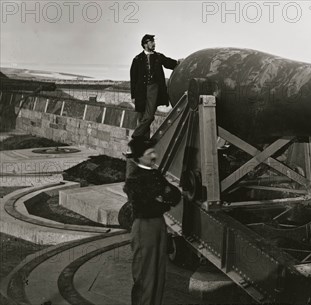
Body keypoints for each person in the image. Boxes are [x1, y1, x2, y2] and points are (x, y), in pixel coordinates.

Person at [123, 138, 181, 305]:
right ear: (140, 157)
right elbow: (148, 205)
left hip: (158, 224)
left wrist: (162, 197)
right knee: (145, 274)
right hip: (144, 227)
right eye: (150, 153)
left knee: (158, 273)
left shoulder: (155, 174)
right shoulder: (134, 179)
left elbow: (175, 196)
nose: (154, 155)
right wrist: (164, 196)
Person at [130, 34, 179, 140]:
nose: (154, 44)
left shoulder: (158, 57)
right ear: (145, 44)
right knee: (142, 117)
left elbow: (169, 63)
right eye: (151, 42)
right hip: (140, 91)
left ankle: (136, 135)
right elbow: (133, 79)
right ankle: (143, 141)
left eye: (153, 41)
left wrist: (179, 62)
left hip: (153, 89)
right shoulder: (137, 59)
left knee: (149, 116)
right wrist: (133, 96)